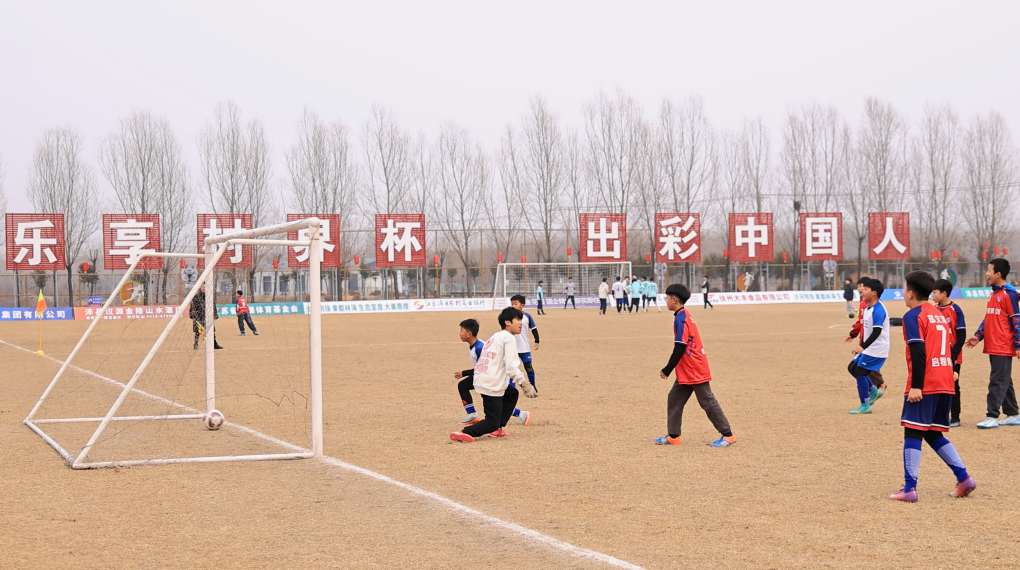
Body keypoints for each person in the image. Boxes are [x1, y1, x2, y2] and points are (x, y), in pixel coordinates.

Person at [890, 270, 976, 502]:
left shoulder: (913, 315)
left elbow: (918, 351)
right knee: (933, 432)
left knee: (912, 430)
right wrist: (951, 371)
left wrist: (916, 386)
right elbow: (948, 345)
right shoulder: (938, 314)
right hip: (944, 379)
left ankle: (909, 489)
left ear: (909, 293)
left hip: (926, 382)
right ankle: (964, 478)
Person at [654, 284, 736, 447]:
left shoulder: (681, 318)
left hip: (693, 367)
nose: (666, 301)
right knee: (674, 398)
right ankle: (673, 436)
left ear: (674, 300)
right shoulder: (682, 315)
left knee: (707, 401)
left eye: (667, 298)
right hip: (687, 368)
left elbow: (680, 346)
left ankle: (728, 435)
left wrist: (667, 369)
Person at [450, 308, 537, 442]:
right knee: (491, 422)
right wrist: (525, 384)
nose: (521, 323)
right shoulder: (508, 338)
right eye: (518, 320)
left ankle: (497, 429)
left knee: (511, 394)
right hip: (490, 383)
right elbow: (511, 367)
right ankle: (464, 432)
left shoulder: (497, 335)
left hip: (483, 378)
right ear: (507, 322)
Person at [964, 258, 1020, 429]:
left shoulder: (1008, 295)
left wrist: (1018, 345)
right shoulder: (993, 294)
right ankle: (1012, 414)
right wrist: (978, 336)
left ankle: (992, 415)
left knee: (997, 379)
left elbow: (1016, 320)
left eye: (989, 270)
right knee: (1004, 378)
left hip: (1003, 345)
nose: (986, 274)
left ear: (998, 274)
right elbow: (988, 318)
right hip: (993, 344)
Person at [848, 279, 889, 414]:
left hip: (877, 348)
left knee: (860, 372)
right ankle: (874, 391)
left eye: (865, 289)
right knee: (852, 368)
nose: (862, 291)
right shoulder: (867, 308)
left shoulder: (878, 310)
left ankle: (865, 405)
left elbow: (877, 332)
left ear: (874, 293)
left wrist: (862, 347)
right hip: (869, 347)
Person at [932, 279, 966, 427]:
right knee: (936, 384)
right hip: (937, 355)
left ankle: (955, 417)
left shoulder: (955, 310)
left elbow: (961, 335)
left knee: (953, 385)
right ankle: (939, 415)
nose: (932, 295)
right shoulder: (933, 310)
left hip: (953, 356)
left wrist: (953, 354)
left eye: (934, 292)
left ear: (944, 293)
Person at [509, 295, 540, 395]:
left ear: (522, 305)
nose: (513, 306)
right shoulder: (508, 317)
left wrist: (537, 340)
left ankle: (533, 386)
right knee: (512, 370)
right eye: (512, 304)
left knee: (529, 368)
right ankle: (511, 390)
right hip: (512, 349)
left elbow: (534, 329)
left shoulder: (527, 316)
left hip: (524, 348)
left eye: (515, 304)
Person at [189, 283, 223, 350]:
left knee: (211, 331)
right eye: (202, 287)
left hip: (208, 317)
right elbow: (192, 307)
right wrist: (193, 316)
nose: (204, 289)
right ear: (200, 288)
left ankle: (215, 344)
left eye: (205, 287)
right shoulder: (196, 297)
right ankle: (196, 343)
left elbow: (213, 306)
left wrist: (215, 315)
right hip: (198, 316)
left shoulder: (210, 296)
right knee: (197, 331)